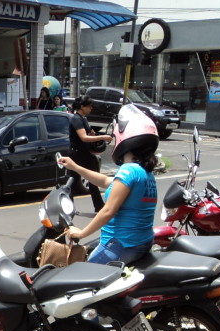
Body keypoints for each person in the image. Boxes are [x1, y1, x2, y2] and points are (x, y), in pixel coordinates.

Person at [59, 104, 159, 265]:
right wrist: (75, 167)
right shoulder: (144, 172)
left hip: (120, 244)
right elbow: (106, 181)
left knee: (80, 278)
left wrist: (81, 233)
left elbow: (108, 211)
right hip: (140, 243)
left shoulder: (128, 170)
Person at [66, 96, 111, 211]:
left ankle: (99, 206)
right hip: (77, 154)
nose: (91, 108)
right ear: (82, 106)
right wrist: (103, 137)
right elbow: (83, 137)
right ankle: (67, 207)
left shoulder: (83, 118)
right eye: (89, 106)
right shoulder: (76, 119)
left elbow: (88, 135)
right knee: (73, 182)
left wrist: (94, 135)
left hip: (85, 153)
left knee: (91, 179)